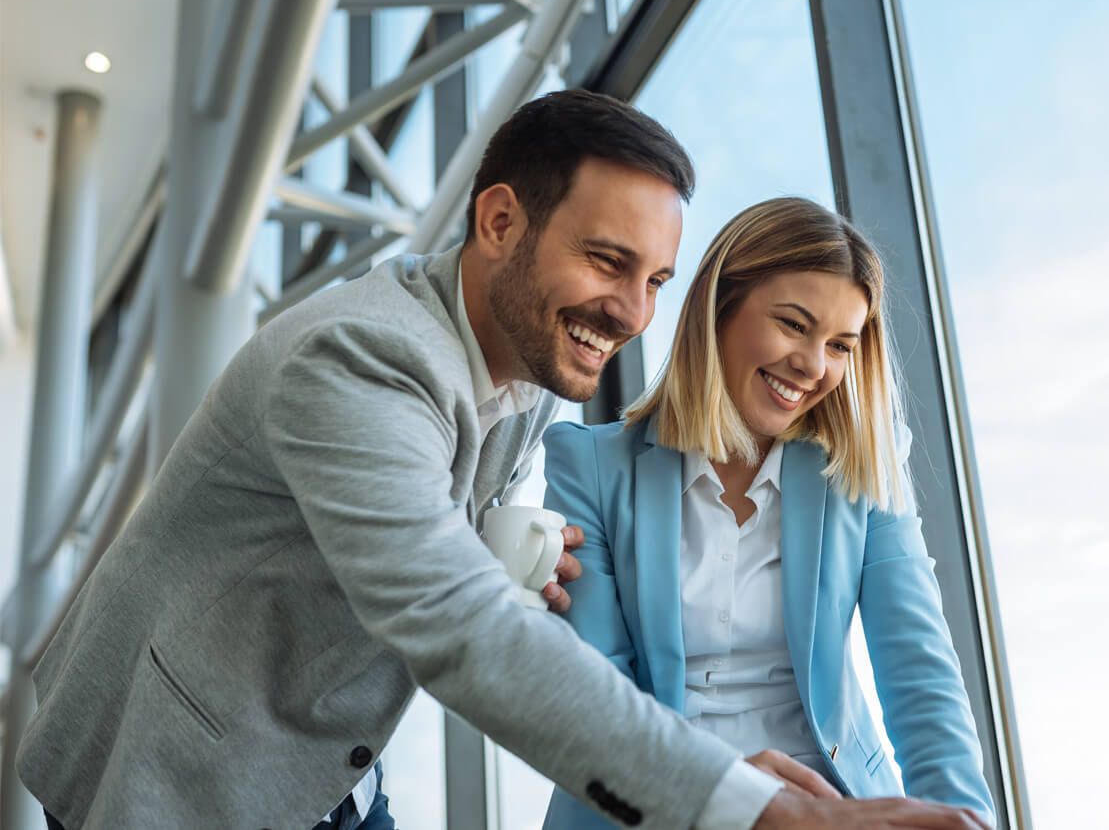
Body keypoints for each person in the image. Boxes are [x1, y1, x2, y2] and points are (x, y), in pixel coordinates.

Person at [19, 91, 984, 830]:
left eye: (653, 280)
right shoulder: (362, 357)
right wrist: (757, 807)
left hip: (329, 762)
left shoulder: (523, 366)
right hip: (179, 766)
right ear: (499, 223)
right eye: (607, 263)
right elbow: (461, 628)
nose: (632, 313)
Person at [541, 197, 995, 830]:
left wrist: (964, 819)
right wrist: (727, 799)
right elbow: (598, 692)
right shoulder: (589, 463)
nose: (813, 367)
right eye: (792, 325)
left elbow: (922, 677)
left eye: (840, 345)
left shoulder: (861, 469)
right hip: (656, 804)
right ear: (719, 309)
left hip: (836, 806)